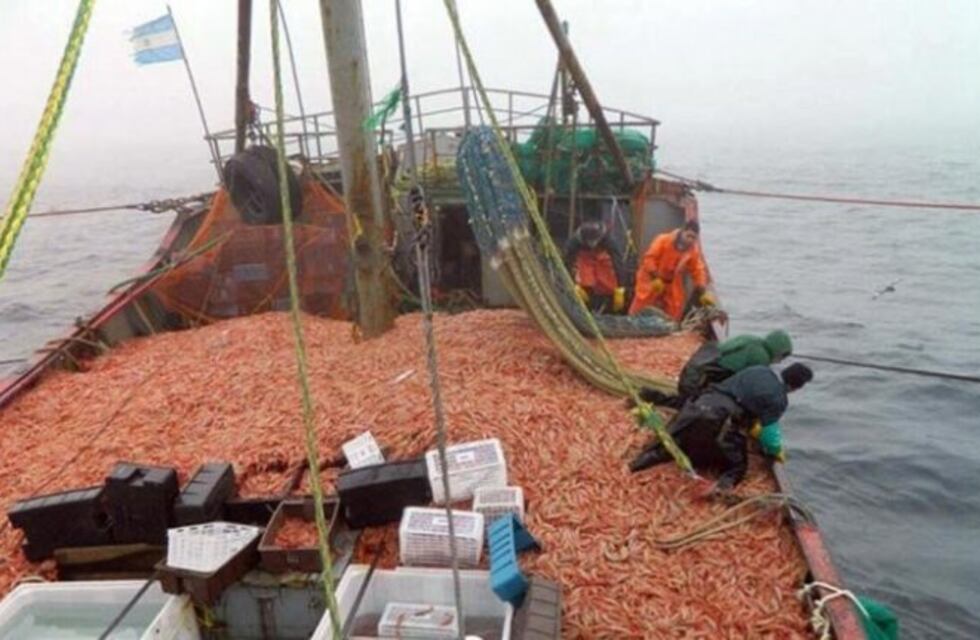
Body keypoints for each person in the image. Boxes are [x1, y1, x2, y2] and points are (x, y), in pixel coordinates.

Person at [629, 363, 814, 490]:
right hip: (720, 420)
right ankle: (721, 488)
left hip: (697, 406)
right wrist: (775, 451)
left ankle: (636, 465)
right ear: (798, 387)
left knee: (671, 443)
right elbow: (769, 433)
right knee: (737, 467)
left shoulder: (759, 370)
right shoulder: (779, 400)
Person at [638, 330, 794, 409]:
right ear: (778, 352)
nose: (779, 361)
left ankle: (649, 394)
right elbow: (748, 390)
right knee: (696, 406)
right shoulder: (761, 359)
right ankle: (652, 396)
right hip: (697, 379)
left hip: (697, 366)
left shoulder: (752, 339)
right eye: (782, 357)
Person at [628, 220, 714, 320]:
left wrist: (703, 291)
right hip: (651, 276)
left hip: (671, 281)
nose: (690, 240)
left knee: (676, 305)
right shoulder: (663, 240)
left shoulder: (693, 250)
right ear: (682, 231)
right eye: (688, 235)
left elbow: (698, 270)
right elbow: (649, 259)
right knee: (643, 300)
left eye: (693, 238)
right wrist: (655, 277)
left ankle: (670, 328)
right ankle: (632, 320)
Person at [564, 218, 628, 313]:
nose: (592, 244)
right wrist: (572, 284)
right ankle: (588, 306)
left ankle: (607, 303)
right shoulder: (574, 241)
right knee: (586, 280)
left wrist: (620, 287)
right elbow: (568, 262)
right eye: (590, 241)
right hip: (585, 258)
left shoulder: (608, 239)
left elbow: (617, 261)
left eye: (594, 241)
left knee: (608, 281)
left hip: (602, 257)